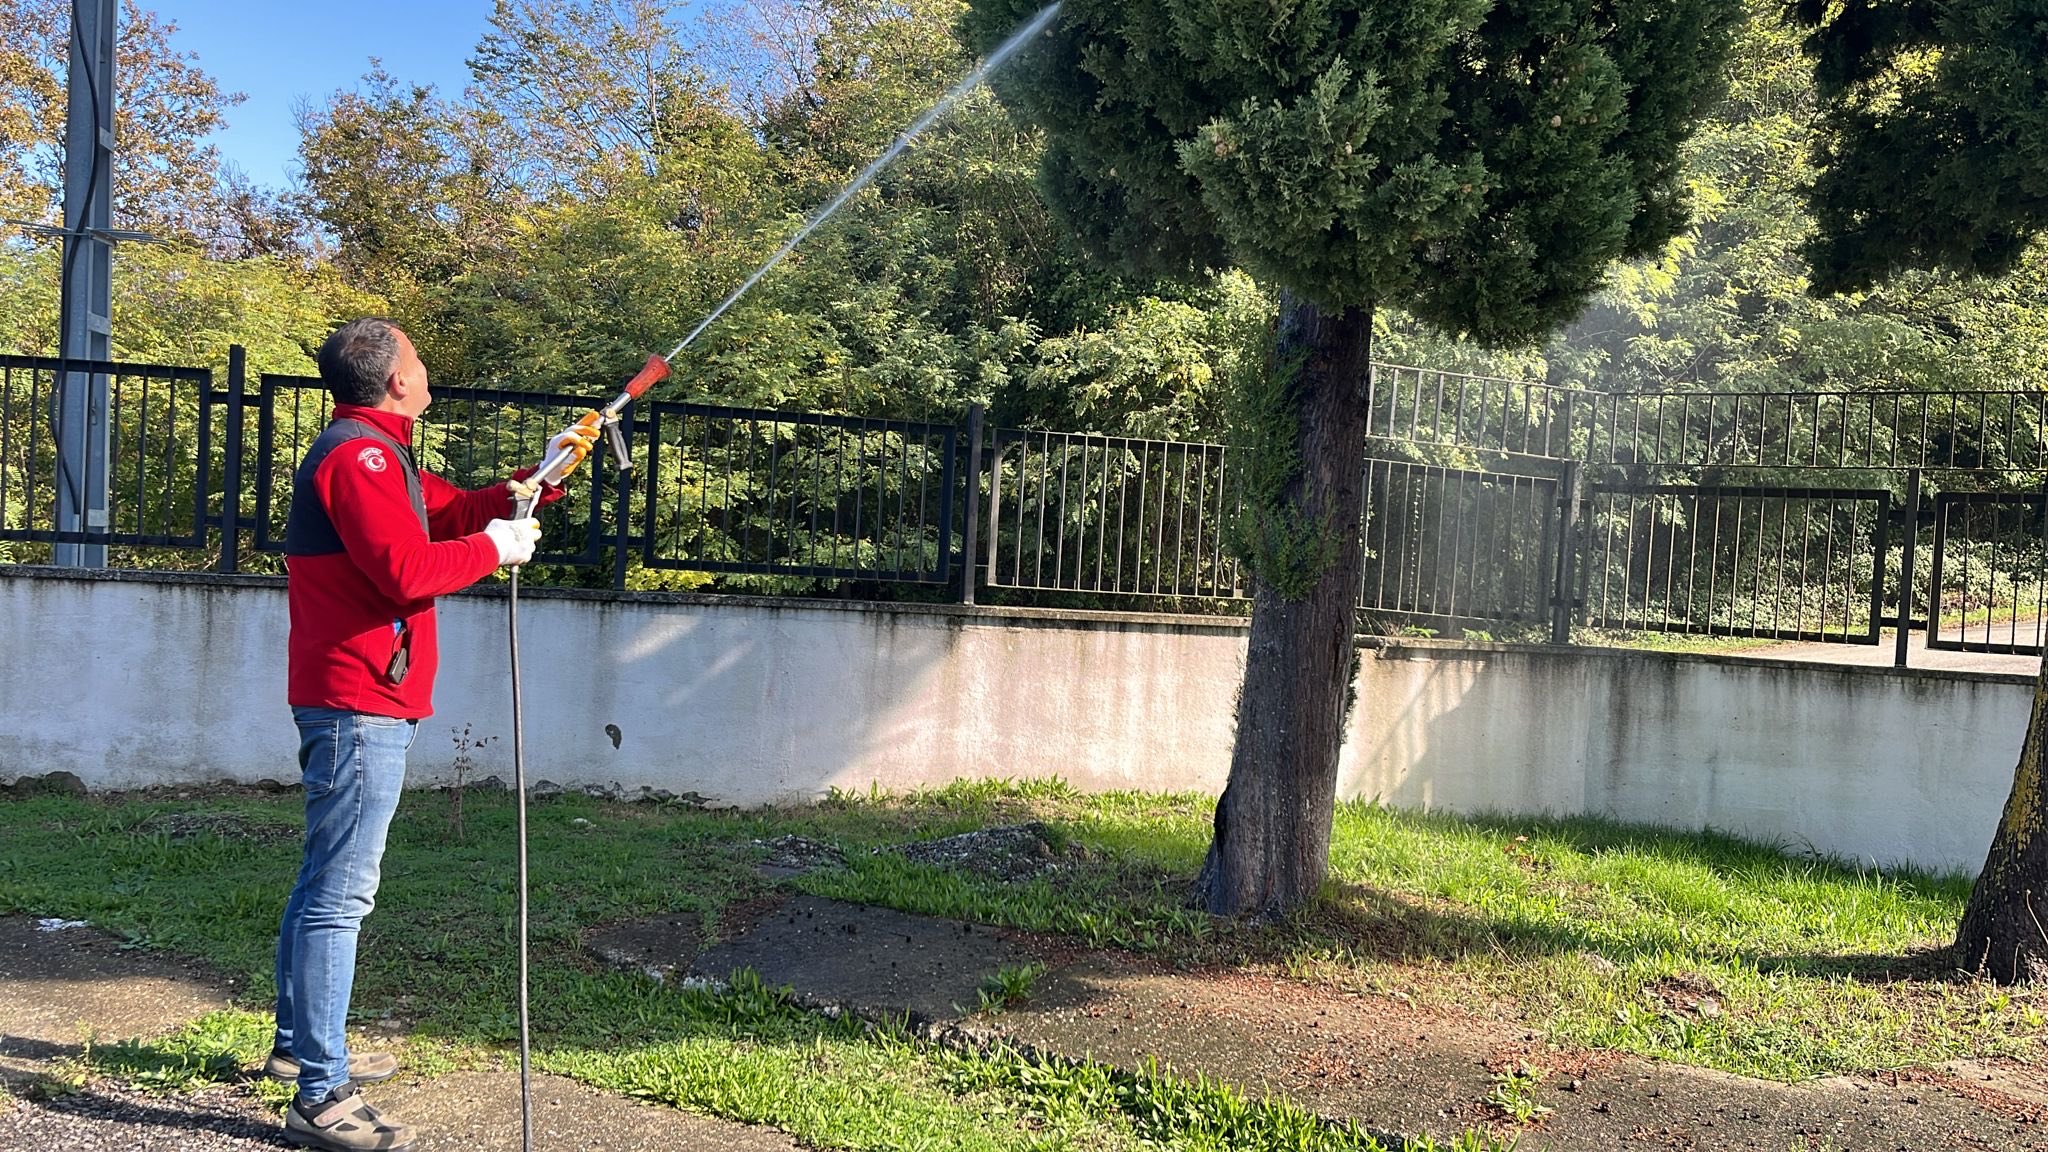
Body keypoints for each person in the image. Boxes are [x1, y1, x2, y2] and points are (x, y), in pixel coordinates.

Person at [270, 317, 601, 1152]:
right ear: (396, 381)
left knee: (323, 883)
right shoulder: (362, 459)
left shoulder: (384, 457)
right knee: (340, 895)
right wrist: (494, 550)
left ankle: (299, 1047)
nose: (425, 368)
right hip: (358, 703)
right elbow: (406, 571)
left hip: (360, 696)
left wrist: (547, 472)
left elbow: (466, 511)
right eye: (417, 359)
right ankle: (319, 1094)